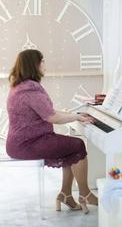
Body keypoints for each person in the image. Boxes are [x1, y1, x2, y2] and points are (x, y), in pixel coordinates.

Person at [6, 49, 97, 213]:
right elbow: (52, 117)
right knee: (77, 145)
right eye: (42, 62)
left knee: (68, 148)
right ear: (34, 65)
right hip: (27, 144)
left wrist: (72, 114)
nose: (44, 65)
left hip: (21, 142)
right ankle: (85, 194)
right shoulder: (30, 90)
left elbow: (47, 112)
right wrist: (76, 117)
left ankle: (66, 195)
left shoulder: (21, 86)